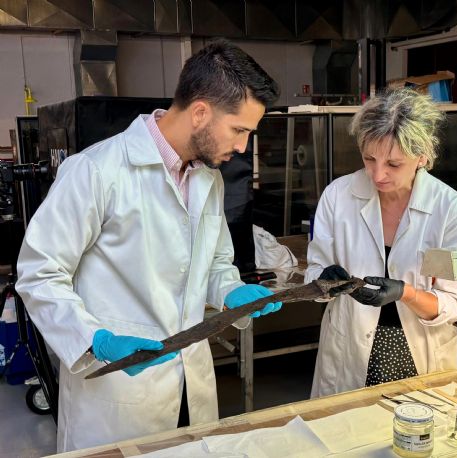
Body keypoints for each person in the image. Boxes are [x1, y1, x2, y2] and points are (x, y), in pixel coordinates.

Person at [16, 39, 281, 452]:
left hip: (191, 385)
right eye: (239, 130)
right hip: (118, 388)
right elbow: (39, 274)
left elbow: (214, 264)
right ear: (200, 112)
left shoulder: (208, 179)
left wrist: (231, 290)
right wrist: (96, 339)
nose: (243, 146)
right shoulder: (96, 171)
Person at [305, 88, 457, 397]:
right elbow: (315, 271)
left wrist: (406, 293)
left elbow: (455, 302)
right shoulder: (338, 196)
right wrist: (323, 280)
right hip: (348, 348)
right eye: (369, 158)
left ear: (422, 157)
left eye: (394, 164)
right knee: (346, 424)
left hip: (418, 352)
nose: (378, 174)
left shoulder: (450, 209)